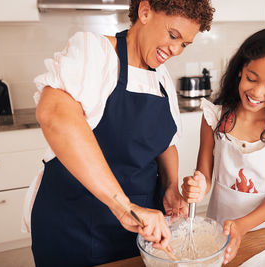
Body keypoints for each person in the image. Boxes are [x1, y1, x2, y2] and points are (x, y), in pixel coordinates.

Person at [21, 0, 214, 266]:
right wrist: (125, 207)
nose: (175, 50)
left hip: (140, 229)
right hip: (76, 225)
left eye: (184, 44)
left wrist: (170, 186)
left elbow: (166, 142)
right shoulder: (95, 51)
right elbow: (54, 115)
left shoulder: (161, 78)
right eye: (173, 35)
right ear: (144, 12)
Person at [181, 28, 265, 265]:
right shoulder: (214, 116)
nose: (256, 92)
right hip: (217, 231)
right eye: (252, 78)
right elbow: (204, 173)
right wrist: (197, 186)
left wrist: (241, 227)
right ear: (240, 70)